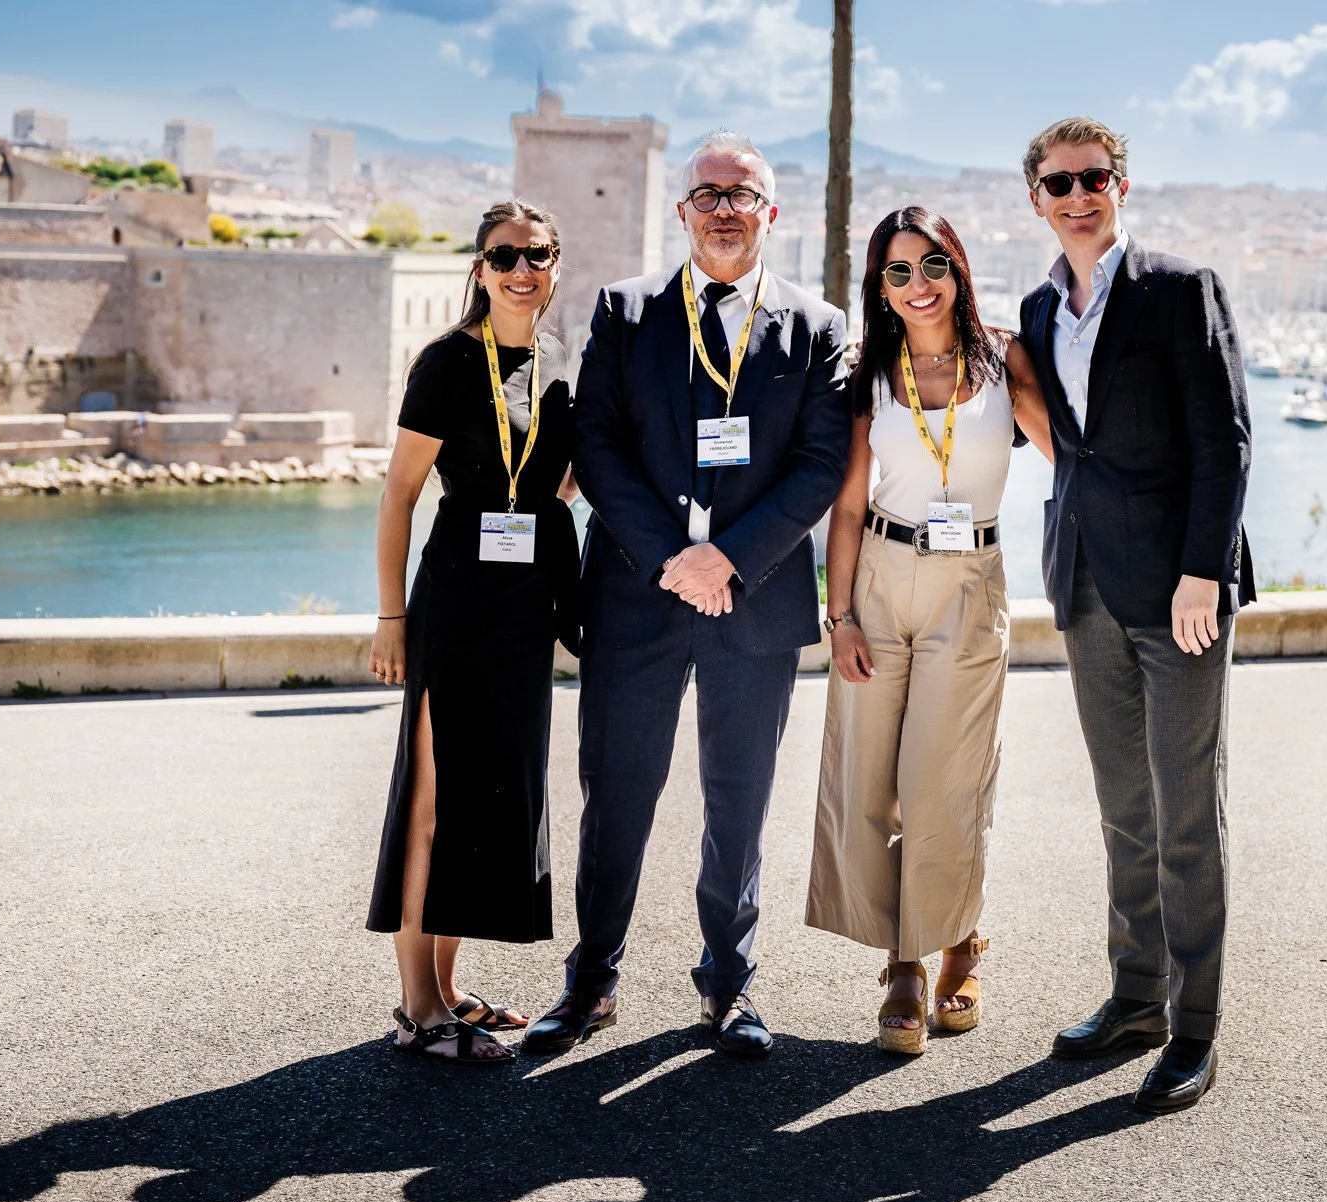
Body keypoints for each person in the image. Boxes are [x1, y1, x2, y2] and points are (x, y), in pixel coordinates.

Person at [519, 131, 850, 1059]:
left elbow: (820, 467)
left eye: (741, 194)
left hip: (756, 597)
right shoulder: (626, 313)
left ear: (770, 213)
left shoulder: (817, 328)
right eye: (707, 195)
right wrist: (674, 558)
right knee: (615, 794)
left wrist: (726, 561)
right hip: (636, 592)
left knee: (738, 802)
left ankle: (729, 986)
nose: (722, 209)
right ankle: (591, 984)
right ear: (682, 212)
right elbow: (601, 446)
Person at [1016, 118, 1253, 1111]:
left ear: (1122, 184)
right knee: (1125, 806)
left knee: (1185, 809)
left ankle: (1194, 1026)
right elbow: (1062, 444)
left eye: (1094, 178)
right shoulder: (1037, 308)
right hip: (1085, 585)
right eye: (1059, 182)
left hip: (1177, 592)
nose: (1079, 195)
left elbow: (1227, 437)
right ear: (1036, 198)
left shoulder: (1176, 286)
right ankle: (1136, 994)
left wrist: (1205, 570)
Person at [806, 207, 1053, 1055]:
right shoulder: (866, 371)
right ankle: (901, 961)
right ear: (878, 286)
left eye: (933, 265)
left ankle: (958, 945)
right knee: (872, 778)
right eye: (898, 271)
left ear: (959, 269)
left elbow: (1070, 454)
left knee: (947, 779)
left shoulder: (1003, 354)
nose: (919, 286)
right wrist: (838, 617)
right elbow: (844, 507)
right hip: (879, 577)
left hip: (969, 583)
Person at [365, 200, 581, 1065]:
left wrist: (541, 524)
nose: (520, 270)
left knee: (489, 798)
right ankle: (419, 1010)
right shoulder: (448, 363)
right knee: (433, 796)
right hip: (453, 601)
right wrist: (392, 617)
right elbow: (398, 497)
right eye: (503, 257)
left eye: (536, 255)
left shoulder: (561, 361)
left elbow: (559, 480)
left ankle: (448, 990)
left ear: (556, 265)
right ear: (480, 268)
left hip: (523, 610)